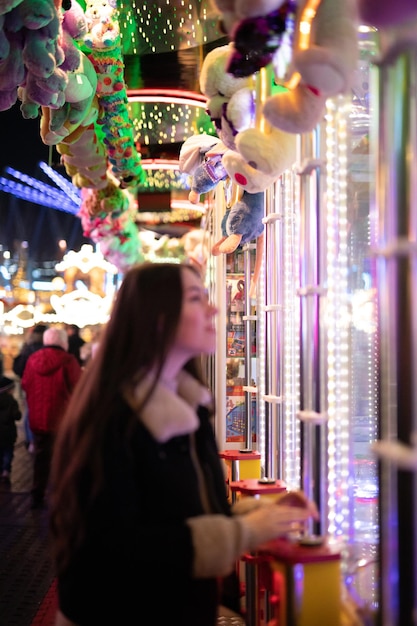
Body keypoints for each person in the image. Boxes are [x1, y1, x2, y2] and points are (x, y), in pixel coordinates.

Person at [49, 262, 318, 626]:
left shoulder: (189, 408)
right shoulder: (114, 419)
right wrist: (247, 532)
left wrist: (267, 516)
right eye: (196, 299)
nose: (214, 309)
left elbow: (185, 515)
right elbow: (118, 550)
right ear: (156, 317)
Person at [22, 328, 82, 509]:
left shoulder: (32, 360)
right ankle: (61, 497)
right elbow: (78, 388)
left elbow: (25, 384)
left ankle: (37, 495)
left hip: (39, 419)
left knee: (41, 458)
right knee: (64, 458)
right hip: (62, 421)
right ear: (64, 342)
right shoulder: (68, 361)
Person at [13, 323, 48, 452]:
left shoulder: (28, 347)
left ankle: (30, 440)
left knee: (29, 410)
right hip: (44, 383)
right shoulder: (45, 348)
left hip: (30, 384)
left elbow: (19, 367)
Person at [0, 376, 22, 484]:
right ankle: (6, 470)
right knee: (8, 452)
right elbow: (17, 416)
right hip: (9, 433)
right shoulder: (12, 401)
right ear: (9, 389)